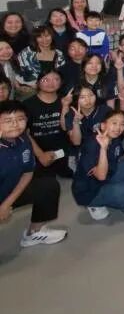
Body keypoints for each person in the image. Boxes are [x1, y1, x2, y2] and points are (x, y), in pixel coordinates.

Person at [0, 100, 68, 247]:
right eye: (8, 121)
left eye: (20, 119)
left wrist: (6, 204)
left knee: (48, 186)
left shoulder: (24, 140)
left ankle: (34, 233)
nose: (15, 124)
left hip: (7, 192)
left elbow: (28, 172)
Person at [72, 110, 124, 221]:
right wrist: (103, 148)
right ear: (103, 125)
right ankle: (94, 205)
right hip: (91, 191)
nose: (118, 128)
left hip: (108, 175)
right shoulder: (92, 144)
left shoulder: (115, 139)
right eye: (114, 123)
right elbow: (101, 176)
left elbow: (118, 157)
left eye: (122, 124)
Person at [24, 71, 73, 178]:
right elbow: (24, 133)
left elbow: (67, 128)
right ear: (38, 83)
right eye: (46, 79)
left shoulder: (66, 100)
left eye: (56, 79)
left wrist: (66, 106)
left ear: (61, 83)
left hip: (62, 151)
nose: (51, 83)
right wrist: (40, 155)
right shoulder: (27, 104)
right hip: (38, 152)